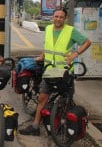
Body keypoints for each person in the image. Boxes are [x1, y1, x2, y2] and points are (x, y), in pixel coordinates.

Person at [19, 8, 91, 136]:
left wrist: (75, 54)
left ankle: (65, 127)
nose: (58, 19)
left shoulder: (70, 31)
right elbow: (47, 45)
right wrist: (41, 56)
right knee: (42, 98)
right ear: (53, 17)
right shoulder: (48, 29)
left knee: (66, 100)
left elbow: (87, 42)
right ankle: (35, 126)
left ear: (65, 18)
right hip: (49, 70)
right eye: (56, 16)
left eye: (61, 17)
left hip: (64, 71)